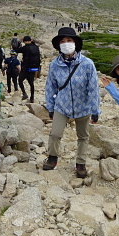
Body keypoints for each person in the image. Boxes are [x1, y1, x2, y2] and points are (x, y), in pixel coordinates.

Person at [44, 27, 100, 178]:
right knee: (55, 133)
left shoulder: (87, 64)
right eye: (62, 41)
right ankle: (52, 157)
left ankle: (81, 163)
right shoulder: (55, 65)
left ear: (75, 43)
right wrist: (50, 107)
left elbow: (93, 88)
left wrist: (95, 110)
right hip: (62, 106)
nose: (66, 44)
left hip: (83, 107)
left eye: (69, 40)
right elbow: (50, 87)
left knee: (83, 136)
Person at [16, 36, 41, 103]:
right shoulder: (36, 47)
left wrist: (19, 42)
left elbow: (16, 50)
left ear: (25, 41)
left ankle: (24, 93)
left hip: (25, 68)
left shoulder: (25, 48)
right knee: (31, 83)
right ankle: (32, 97)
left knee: (20, 80)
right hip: (33, 68)